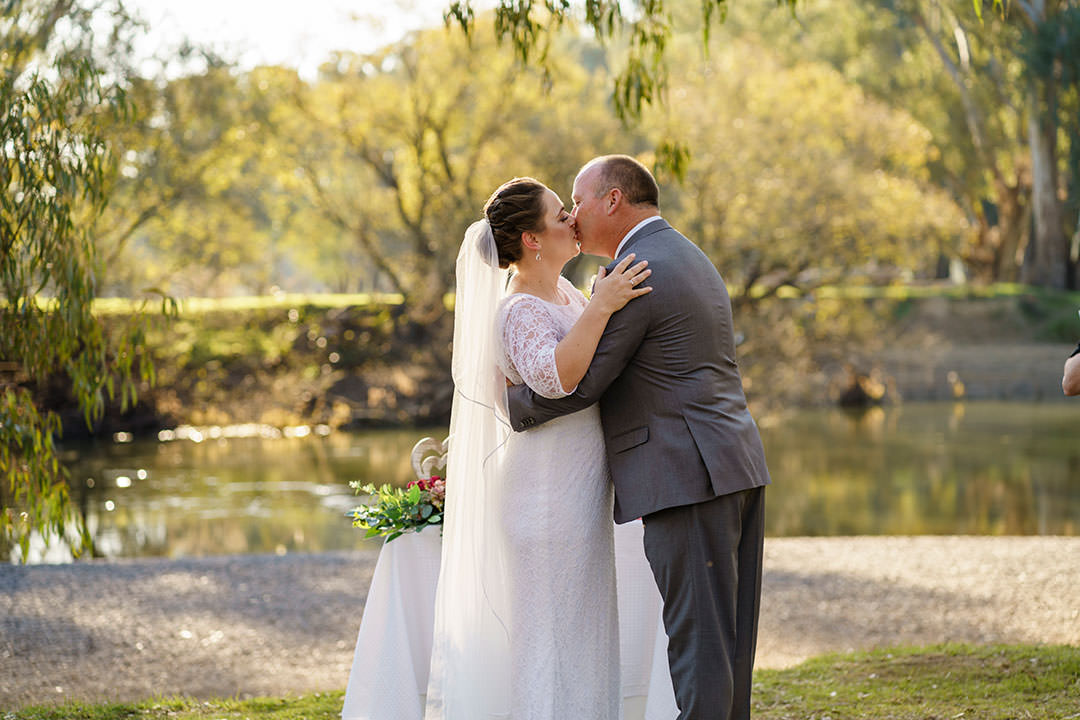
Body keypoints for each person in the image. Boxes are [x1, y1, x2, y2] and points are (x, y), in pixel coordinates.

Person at [506, 155, 771, 720]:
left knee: (700, 646)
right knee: (726, 644)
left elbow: (581, 383)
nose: (573, 216)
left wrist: (500, 404)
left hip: (688, 475)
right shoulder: (683, 252)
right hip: (731, 462)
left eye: (577, 202)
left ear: (612, 201)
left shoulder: (638, 271)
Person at [425, 176, 652, 719]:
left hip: (579, 494)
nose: (573, 221)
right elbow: (555, 377)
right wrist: (602, 307)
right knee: (550, 642)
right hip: (545, 499)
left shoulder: (565, 293)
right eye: (559, 215)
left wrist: (597, 305)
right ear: (531, 239)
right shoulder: (518, 309)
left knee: (586, 636)